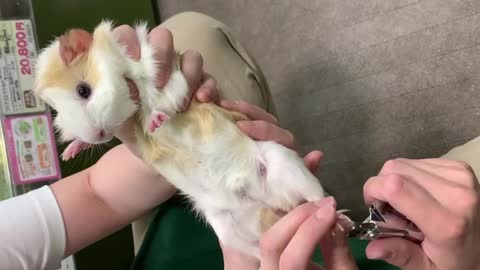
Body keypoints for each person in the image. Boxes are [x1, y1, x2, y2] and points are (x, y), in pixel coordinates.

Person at [1, 11, 479, 270]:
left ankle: (337, 216)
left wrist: (157, 112)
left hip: (228, 173)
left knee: (188, 32)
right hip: (225, 222)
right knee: (462, 192)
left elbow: (93, 193)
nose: (87, 124)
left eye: (82, 93)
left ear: (86, 47)